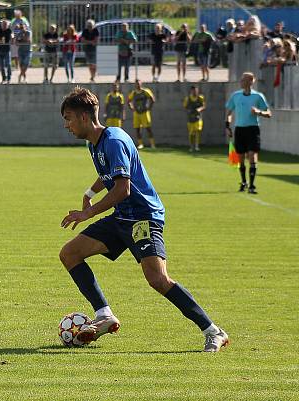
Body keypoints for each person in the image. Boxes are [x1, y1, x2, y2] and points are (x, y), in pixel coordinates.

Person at [58, 86, 229, 353]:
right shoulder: (97, 142)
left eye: (68, 118)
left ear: (83, 117)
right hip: (122, 217)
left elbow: (122, 188)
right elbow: (110, 176)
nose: (66, 125)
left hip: (143, 218)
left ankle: (213, 331)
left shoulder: (113, 141)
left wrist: (88, 213)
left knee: (157, 279)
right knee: (70, 254)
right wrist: (90, 193)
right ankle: (104, 314)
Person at [225, 72, 271, 194]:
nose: (241, 81)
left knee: (252, 155)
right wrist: (227, 126)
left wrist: (259, 112)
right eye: (241, 79)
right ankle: (244, 181)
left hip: (253, 129)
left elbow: (269, 113)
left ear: (251, 81)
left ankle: (252, 185)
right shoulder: (235, 96)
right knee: (240, 158)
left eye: (244, 79)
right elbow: (229, 112)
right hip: (239, 129)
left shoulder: (258, 96)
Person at [128, 79, 156, 149]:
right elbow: (128, 101)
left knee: (148, 128)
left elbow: (152, 99)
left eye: (139, 83)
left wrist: (149, 107)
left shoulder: (145, 91)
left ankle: (152, 144)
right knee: (137, 129)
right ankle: (140, 144)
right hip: (136, 113)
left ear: (141, 84)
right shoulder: (134, 93)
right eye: (136, 83)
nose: (138, 85)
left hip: (144, 113)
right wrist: (132, 108)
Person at [183, 85, 205, 152]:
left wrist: (199, 109)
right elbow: (185, 107)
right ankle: (191, 146)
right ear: (191, 91)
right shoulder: (187, 98)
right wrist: (188, 111)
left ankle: (197, 146)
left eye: (196, 90)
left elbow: (204, 106)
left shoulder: (200, 98)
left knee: (197, 130)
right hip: (190, 118)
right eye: (194, 90)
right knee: (191, 133)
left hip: (198, 117)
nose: (195, 92)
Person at [0, 20, 13, 84]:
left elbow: (12, 36)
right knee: (1, 66)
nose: (4, 25)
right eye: (3, 24)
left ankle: (9, 78)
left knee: (8, 64)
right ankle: (4, 78)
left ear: (7, 25)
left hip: (7, 50)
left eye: (5, 24)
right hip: (0, 50)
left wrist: (12, 39)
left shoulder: (9, 30)